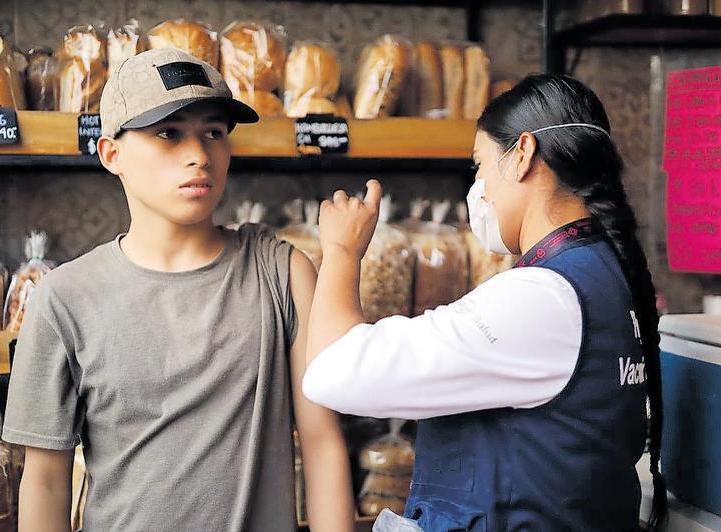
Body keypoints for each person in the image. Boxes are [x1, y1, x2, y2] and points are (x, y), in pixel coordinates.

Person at [2, 48, 354, 532]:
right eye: (168, 133)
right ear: (111, 154)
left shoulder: (281, 272)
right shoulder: (63, 298)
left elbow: (322, 443)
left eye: (214, 133)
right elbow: (44, 480)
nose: (200, 156)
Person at [302, 74, 666, 531]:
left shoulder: (542, 299)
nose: (479, 188)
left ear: (523, 154)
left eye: (480, 166)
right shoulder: (604, 271)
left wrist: (341, 251)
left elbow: (333, 373)